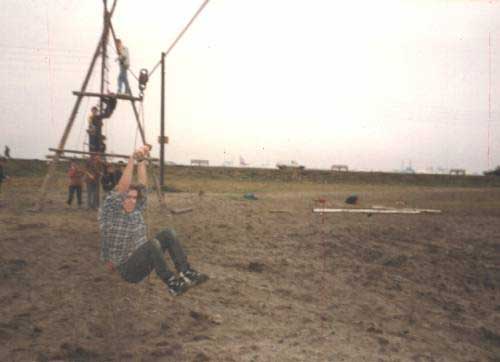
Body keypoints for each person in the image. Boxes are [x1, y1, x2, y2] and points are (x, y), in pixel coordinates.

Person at [98, 146, 208, 296]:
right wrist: (132, 159)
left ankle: (186, 271)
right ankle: (172, 283)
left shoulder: (135, 208)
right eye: (127, 197)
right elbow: (122, 188)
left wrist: (142, 159)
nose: (131, 200)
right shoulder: (112, 210)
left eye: (134, 198)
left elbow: (142, 184)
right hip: (128, 269)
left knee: (168, 233)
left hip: (144, 260)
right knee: (152, 244)